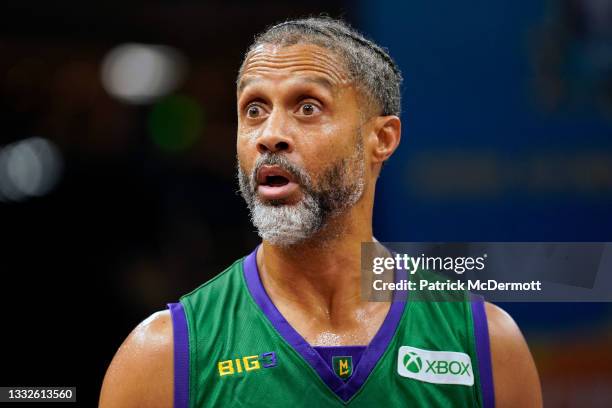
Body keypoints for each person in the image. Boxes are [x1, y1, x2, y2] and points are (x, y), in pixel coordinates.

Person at [99, 16, 542, 407]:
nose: (270, 135)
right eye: (253, 110)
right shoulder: (164, 355)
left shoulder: (485, 343)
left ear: (382, 139)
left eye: (307, 107)